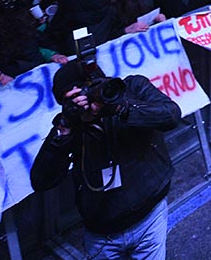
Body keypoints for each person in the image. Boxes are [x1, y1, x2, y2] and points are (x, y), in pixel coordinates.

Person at [30, 60, 181, 260]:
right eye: (78, 97)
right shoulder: (71, 124)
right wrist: (66, 126)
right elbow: (41, 180)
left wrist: (122, 109)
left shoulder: (132, 88)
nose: (89, 102)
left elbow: (171, 115)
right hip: (103, 232)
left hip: (149, 216)